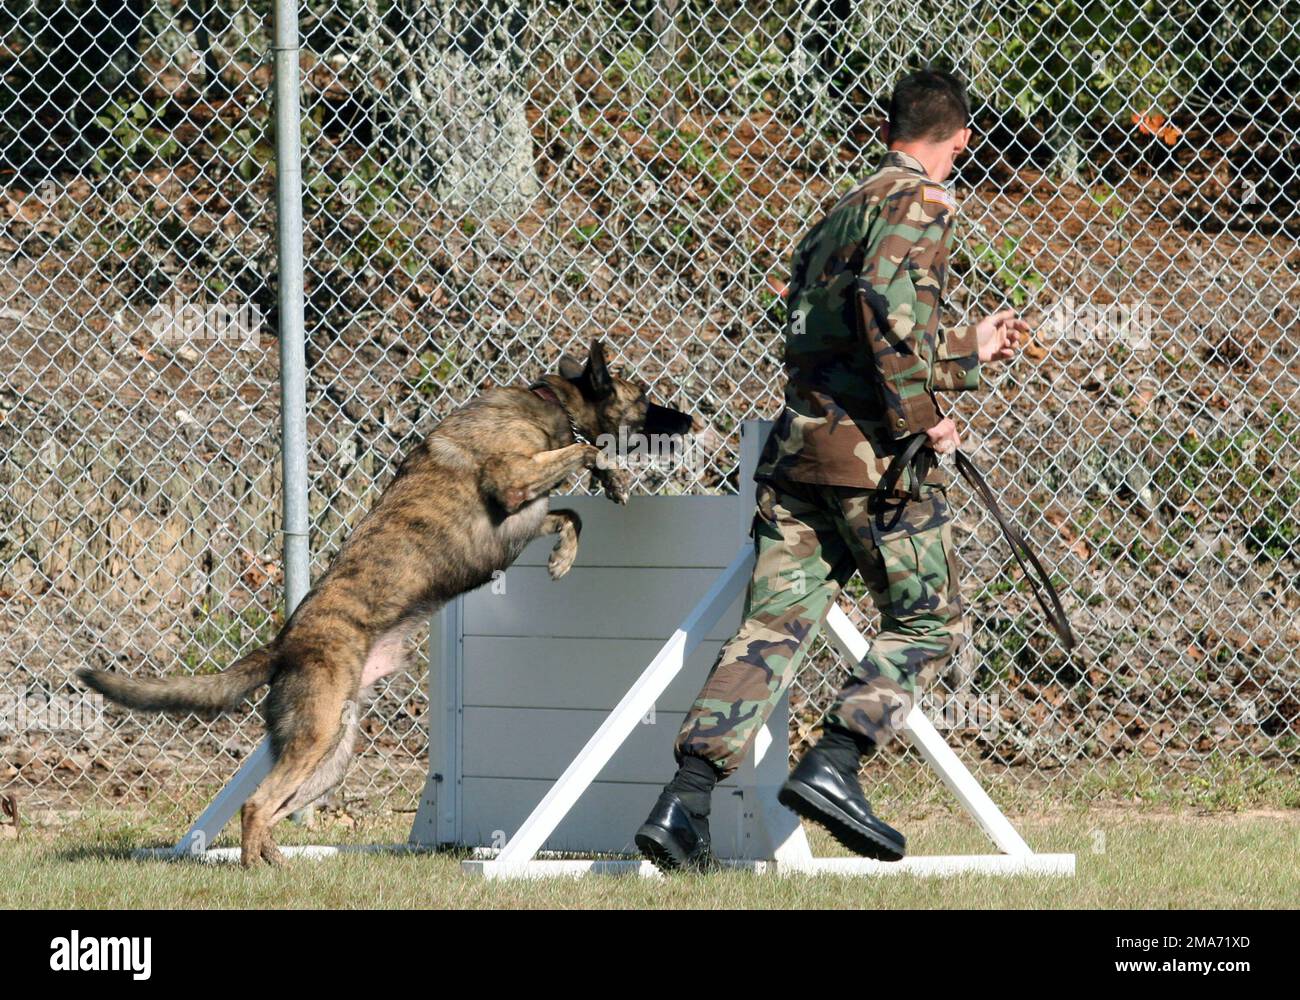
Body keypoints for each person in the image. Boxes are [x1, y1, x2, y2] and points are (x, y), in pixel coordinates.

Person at [634, 68, 1027, 872]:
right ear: (957, 137)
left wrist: (963, 350)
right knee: (929, 621)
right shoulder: (923, 202)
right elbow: (888, 318)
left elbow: (842, 337)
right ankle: (836, 766)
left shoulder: (837, 212)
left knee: (772, 628)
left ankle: (685, 804)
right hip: (874, 465)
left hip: (801, 455)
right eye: (960, 144)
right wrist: (925, 418)